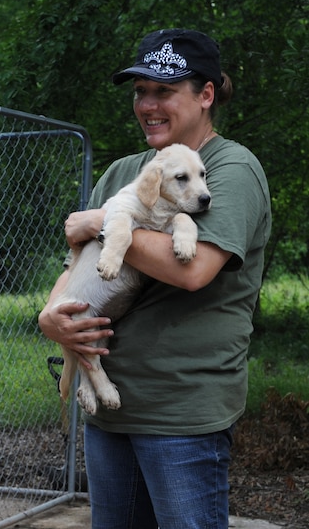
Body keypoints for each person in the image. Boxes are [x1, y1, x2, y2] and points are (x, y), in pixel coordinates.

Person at [38, 28, 272, 529]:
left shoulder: (230, 169)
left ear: (206, 94)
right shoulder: (125, 170)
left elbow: (193, 270)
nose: (148, 104)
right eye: (140, 91)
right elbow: (74, 268)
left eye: (164, 90)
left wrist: (101, 220)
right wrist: (51, 317)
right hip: (112, 410)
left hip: (181, 413)